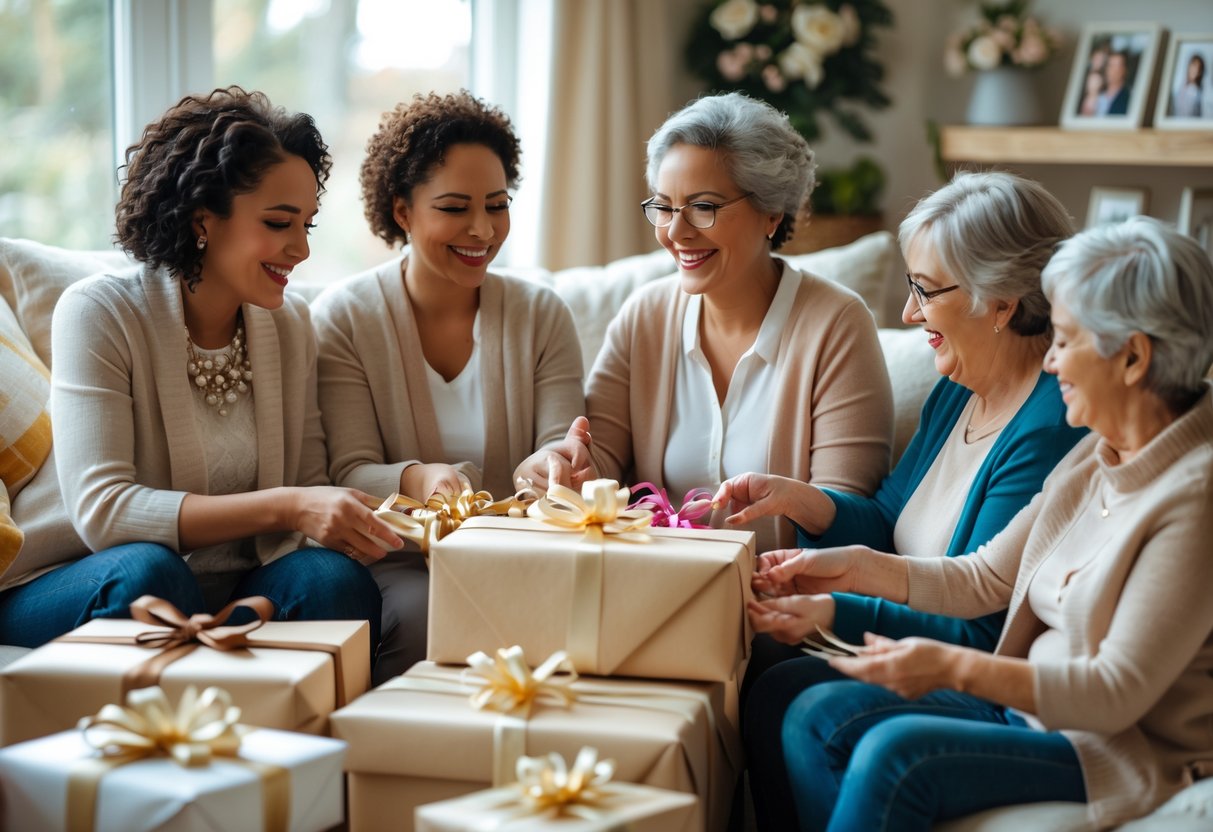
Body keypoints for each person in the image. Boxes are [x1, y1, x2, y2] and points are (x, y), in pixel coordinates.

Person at [753, 216, 1213, 831]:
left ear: (1133, 358)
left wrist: (947, 668)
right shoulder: (1098, 453)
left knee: (898, 757)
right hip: (1028, 708)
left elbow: (1114, 693)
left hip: (1115, 744)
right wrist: (843, 568)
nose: (1051, 361)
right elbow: (982, 577)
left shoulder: (1196, 496)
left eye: (1067, 340)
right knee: (812, 711)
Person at [728, 171, 1087, 829]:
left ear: (1002, 300)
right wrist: (803, 502)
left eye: (924, 289)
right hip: (924, 636)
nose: (907, 312)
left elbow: (983, 624)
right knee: (768, 675)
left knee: (802, 702)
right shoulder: (956, 388)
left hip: (983, 671)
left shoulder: (1049, 424)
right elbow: (890, 523)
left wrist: (831, 609)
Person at [1, 87, 393, 652]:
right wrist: (289, 505)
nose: (300, 250)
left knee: (332, 580)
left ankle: (294, 738)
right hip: (73, 577)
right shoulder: (100, 312)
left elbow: (307, 486)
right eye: (280, 223)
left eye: (307, 224)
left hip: (231, 589)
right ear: (203, 220)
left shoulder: (289, 325)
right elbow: (104, 512)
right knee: (150, 574)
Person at [519, 92, 894, 554]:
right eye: (663, 206)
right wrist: (559, 465)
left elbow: (844, 522)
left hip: (784, 606)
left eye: (703, 207)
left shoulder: (836, 324)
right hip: (655, 587)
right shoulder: (645, 317)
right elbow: (598, 463)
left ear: (771, 212)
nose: (676, 233)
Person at [312, 91, 585, 683]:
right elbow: (348, 470)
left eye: (497, 205)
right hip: (403, 560)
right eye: (455, 208)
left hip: (525, 553)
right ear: (402, 211)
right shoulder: (346, 317)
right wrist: (419, 478)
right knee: (422, 613)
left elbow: (563, 445)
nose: (483, 230)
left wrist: (552, 464)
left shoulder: (542, 315)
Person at [1171, 53, 1205, 118]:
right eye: (1193, 65)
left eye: (1198, 68)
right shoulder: (1180, 88)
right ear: (1189, 66)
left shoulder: (1196, 92)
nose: (1195, 70)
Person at [1098, 50, 1131, 116]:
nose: (1111, 71)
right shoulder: (1098, 97)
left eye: (1116, 66)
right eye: (1110, 66)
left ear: (1124, 71)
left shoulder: (1129, 99)